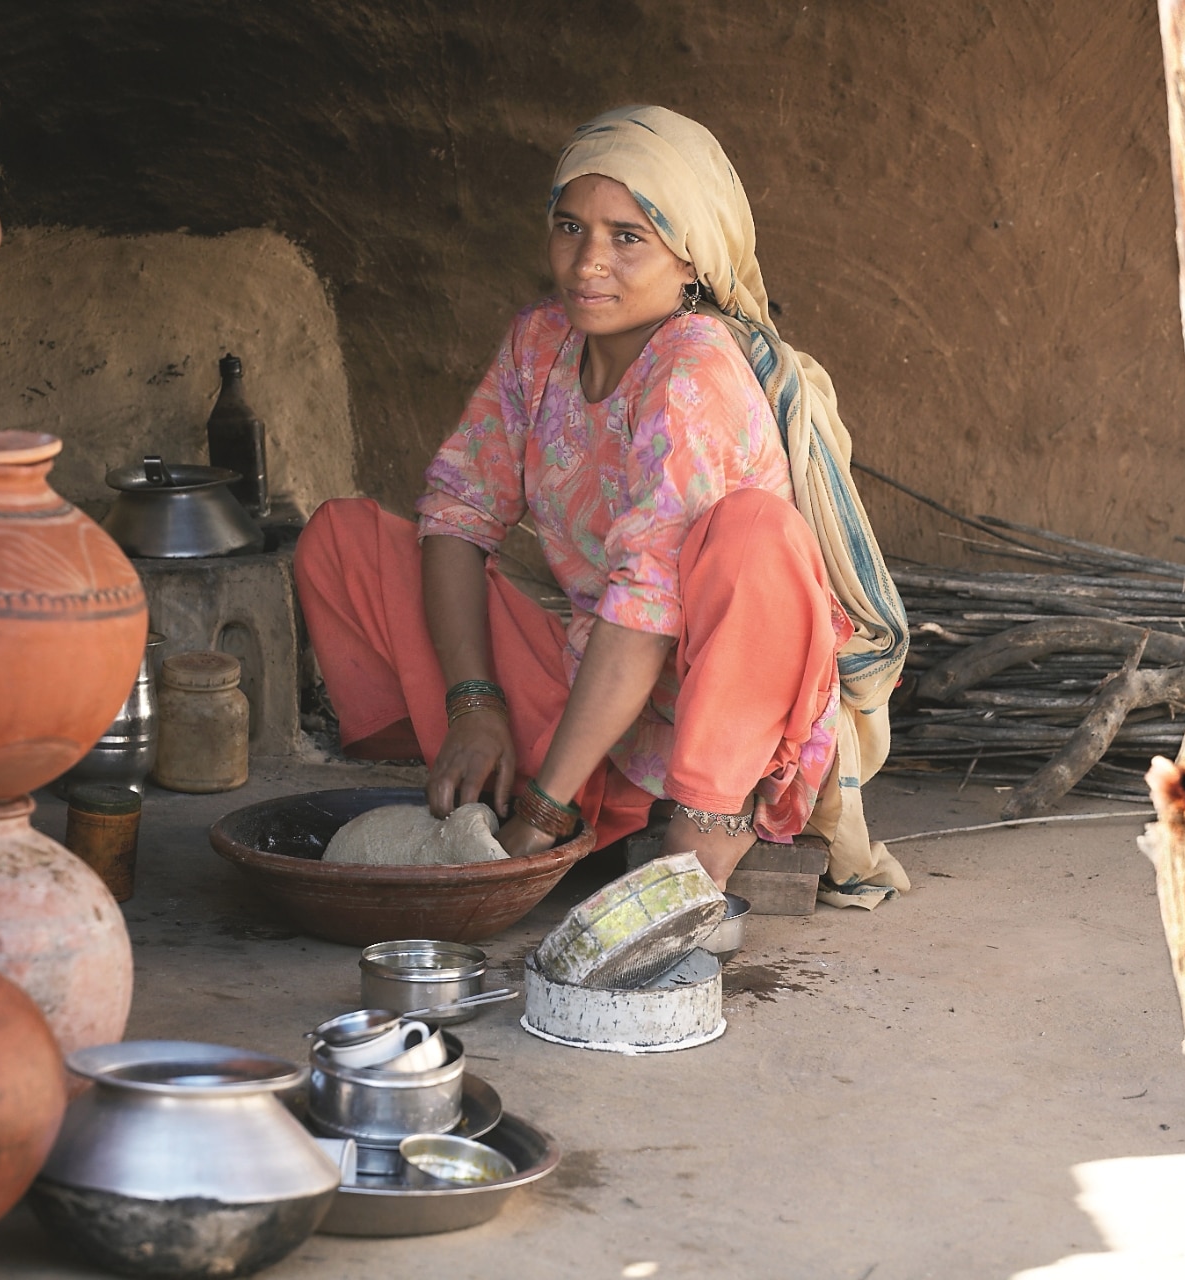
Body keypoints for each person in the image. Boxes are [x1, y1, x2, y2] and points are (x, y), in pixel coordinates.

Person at [294, 106, 912, 900]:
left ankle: (694, 832)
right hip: (596, 679)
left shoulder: (694, 373)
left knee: (757, 537)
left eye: (628, 237)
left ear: (691, 261)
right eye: (569, 227)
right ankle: (512, 764)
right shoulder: (540, 342)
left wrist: (544, 813)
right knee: (345, 540)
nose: (589, 262)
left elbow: (647, 613)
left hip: (707, 707)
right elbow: (456, 512)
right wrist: (474, 704)